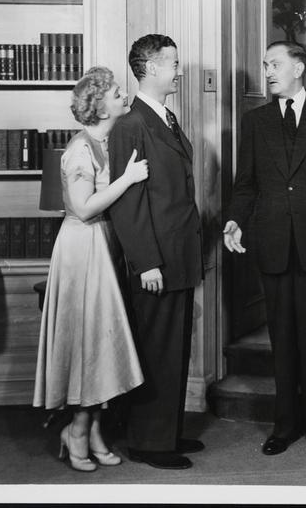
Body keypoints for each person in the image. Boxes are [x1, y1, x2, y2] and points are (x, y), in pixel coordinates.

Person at [224, 41, 306, 457]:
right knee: (281, 340)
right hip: (274, 246)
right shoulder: (256, 120)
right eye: (265, 64)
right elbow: (245, 183)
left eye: (275, 64)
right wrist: (235, 219)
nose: (267, 71)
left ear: (298, 68)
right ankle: (284, 426)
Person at [33, 66, 149, 472]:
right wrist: (128, 179)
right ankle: (77, 431)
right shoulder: (81, 149)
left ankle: (94, 429)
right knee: (88, 342)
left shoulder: (105, 142)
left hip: (102, 244)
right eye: (116, 93)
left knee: (101, 342)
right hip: (83, 247)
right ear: (100, 106)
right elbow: (82, 208)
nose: (124, 95)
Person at [107, 34, 203, 470]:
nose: (179, 71)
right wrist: (146, 262)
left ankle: (167, 433)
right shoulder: (131, 124)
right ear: (150, 68)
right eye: (174, 64)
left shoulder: (164, 117)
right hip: (156, 260)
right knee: (157, 349)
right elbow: (128, 204)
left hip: (177, 254)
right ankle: (149, 442)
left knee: (173, 348)